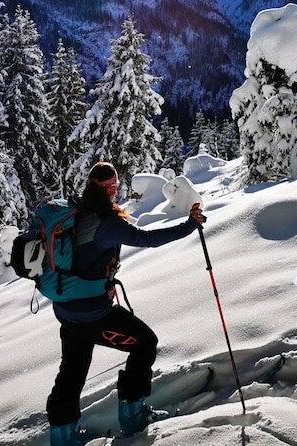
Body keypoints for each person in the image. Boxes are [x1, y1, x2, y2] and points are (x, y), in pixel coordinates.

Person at [48, 161, 206, 446]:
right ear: (109, 189)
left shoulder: (78, 212)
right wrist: (190, 226)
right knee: (145, 343)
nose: (116, 190)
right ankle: (133, 417)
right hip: (92, 312)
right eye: (114, 186)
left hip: (66, 308)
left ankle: (63, 436)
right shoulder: (105, 224)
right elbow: (148, 239)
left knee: (73, 368)